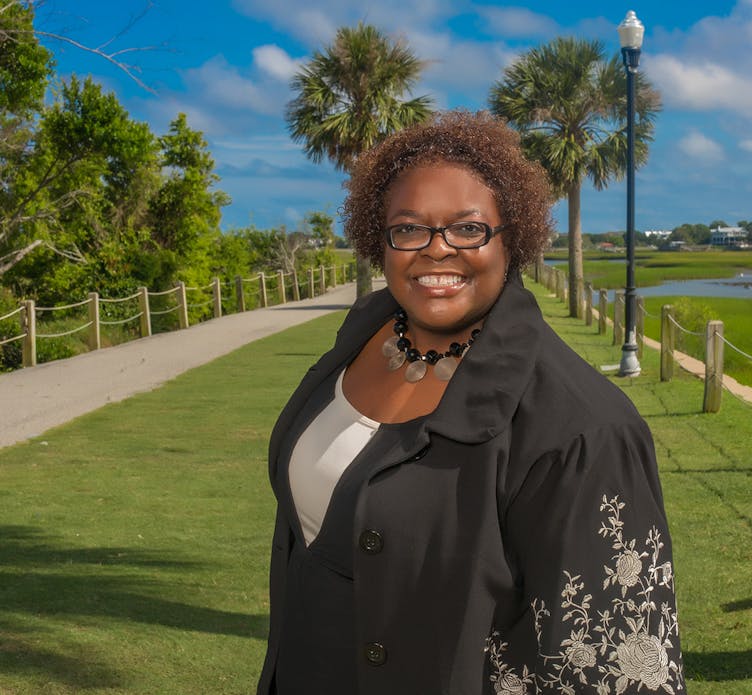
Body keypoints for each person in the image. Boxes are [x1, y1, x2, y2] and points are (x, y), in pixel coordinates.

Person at [257, 110, 684, 694]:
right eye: (408, 228)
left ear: (515, 238)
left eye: (468, 229)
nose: (436, 251)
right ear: (377, 239)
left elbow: (611, 667)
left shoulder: (584, 432)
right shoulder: (365, 334)